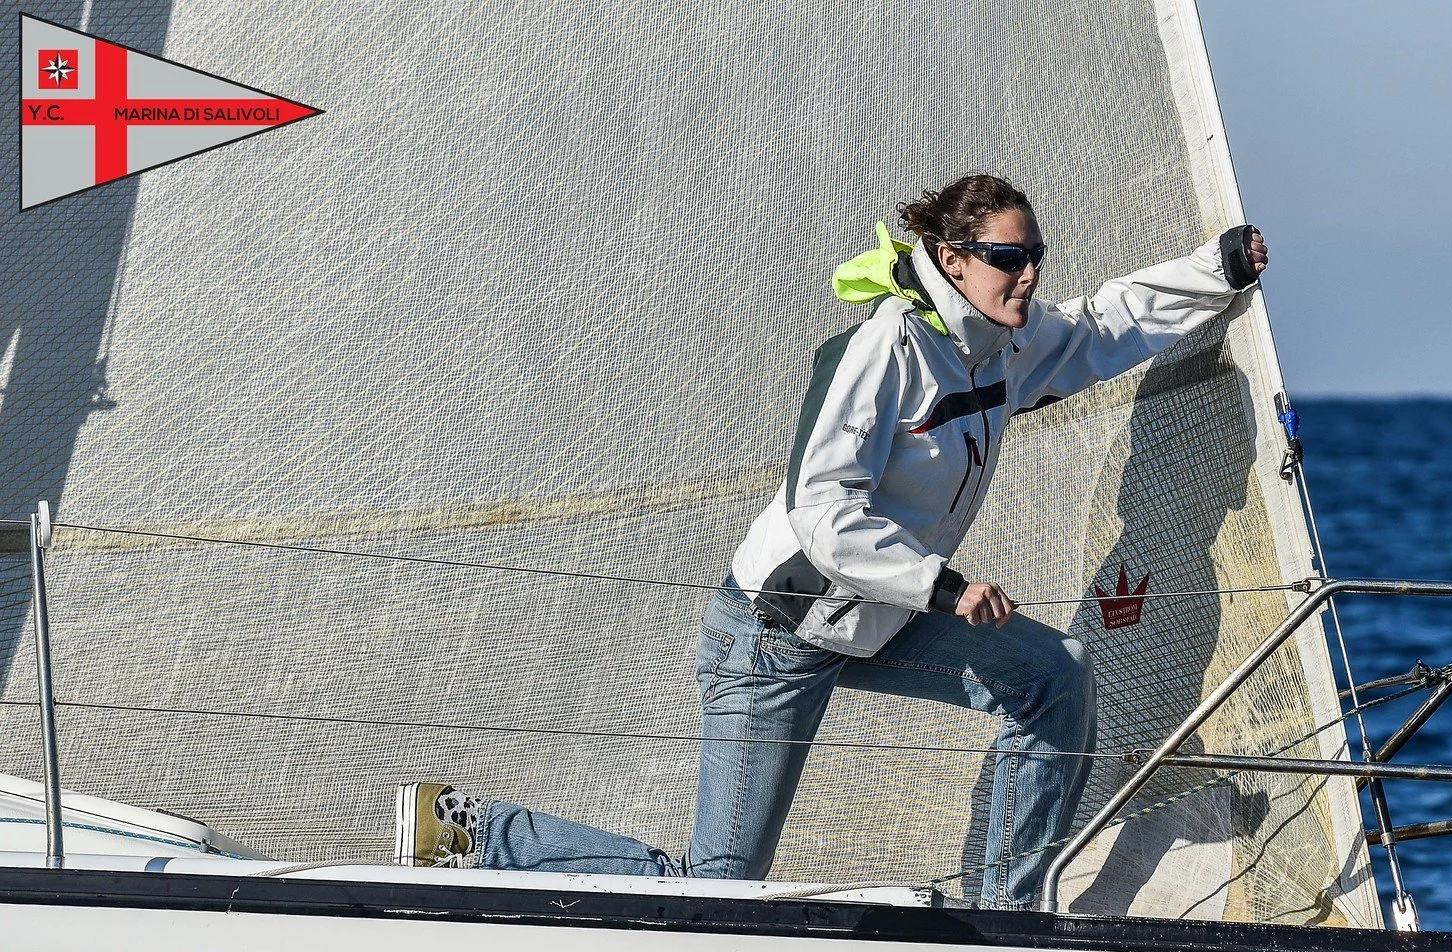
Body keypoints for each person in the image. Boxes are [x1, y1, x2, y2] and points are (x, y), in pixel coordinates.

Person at [397, 174, 1267, 905]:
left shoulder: (1002, 343)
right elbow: (822, 511)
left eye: (1035, 255)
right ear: (954, 261)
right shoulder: (886, 349)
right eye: (1010, 257)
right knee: (719, 884)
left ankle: (1005, 916)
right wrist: (943, 585)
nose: (1029, 273)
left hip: (878, 618)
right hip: (774, 634)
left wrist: (1215, 271)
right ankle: (476, 833)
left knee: (1056, 676)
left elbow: (1101, 327)